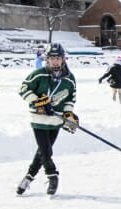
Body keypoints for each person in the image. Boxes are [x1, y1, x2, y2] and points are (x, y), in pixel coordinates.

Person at [16, 43, 78, 196]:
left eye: (58, 58)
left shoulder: (69, 79)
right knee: (46, 151)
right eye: (52, 58)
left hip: (55, 122)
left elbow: (71, 99)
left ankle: (28, 177)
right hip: (39, 120)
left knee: (42, 153)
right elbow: (23, 89)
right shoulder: (39, 74)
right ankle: (52, 175)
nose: (55, 61)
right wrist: (38, 101)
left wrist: (68, 115)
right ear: (47, 59)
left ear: (63, 59)